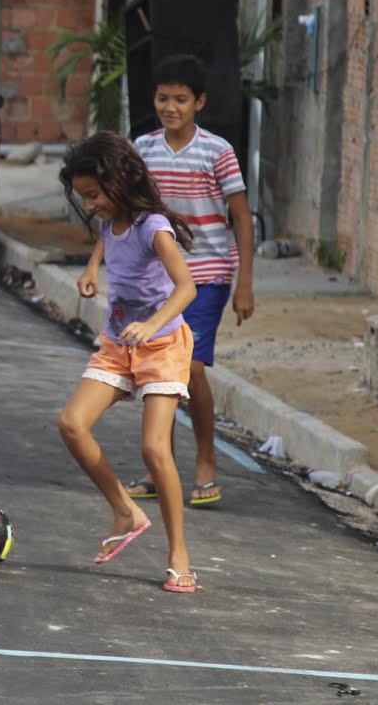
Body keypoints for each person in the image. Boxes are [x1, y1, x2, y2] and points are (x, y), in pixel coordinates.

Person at [58, 131, 199, 593]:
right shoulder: (109, 221)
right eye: (85, 197)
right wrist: (92, 268)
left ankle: (179, 554)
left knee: (154, 450)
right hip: (120, 344)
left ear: (119, 181)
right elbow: (106, 238)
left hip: (163, 346)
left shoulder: (152, 225)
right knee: (72, 424)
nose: (91, 204)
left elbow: (186, 288)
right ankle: (125, 509)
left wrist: (151, 322)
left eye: (95, 195)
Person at [124, 54, 255, 508]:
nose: (171, 107)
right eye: (163, 98)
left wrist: (244, 284)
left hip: (207, 275)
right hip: (157, 279)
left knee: (191, 367)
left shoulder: (217, 151)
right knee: (159, 372)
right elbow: (127, 210)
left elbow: (240, 217)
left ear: (199, 101)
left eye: (181, 99)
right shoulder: (143, 149)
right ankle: (159, 468)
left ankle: (205, 464)